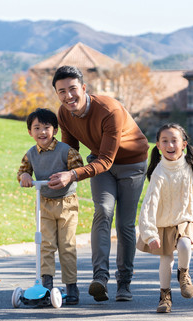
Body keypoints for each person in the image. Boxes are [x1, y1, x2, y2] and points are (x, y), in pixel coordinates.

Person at [48, 66, 149, 302]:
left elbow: (106, 159)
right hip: (101, 164)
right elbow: (71, 152)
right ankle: (100, 279)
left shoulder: (109, 110)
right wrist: (55, 172)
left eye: (73, 89)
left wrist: (72, 176)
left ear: (84, 88)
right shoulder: (64, 114)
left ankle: (124, 283)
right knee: (103, 211)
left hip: (132, 165)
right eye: (61, 92)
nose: (68, 96)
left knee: (124, 223)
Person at [137, 123, 193, 313]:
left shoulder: (190, 166)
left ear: (183, 144)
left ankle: (184, 274)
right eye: (164, 141)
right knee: (166, 260)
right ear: (158, 146)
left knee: (184, 245)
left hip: (184, 218)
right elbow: (149, 205)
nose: (170, 145)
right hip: (163, 221)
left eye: (174, 141)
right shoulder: (159, 172)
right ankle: (165, 297)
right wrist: (150, 234)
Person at [17, 108, 84, 305]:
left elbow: (79, 170)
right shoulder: (31, 154)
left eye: (46, 127)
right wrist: (25, 176)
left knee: (67, 245)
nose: (42, 132)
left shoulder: (67, 151)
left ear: (54, 130)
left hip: (66, 203)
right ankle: (46, 283)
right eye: (37, 128)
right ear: (30, 132)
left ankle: (71, 286)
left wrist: (70, 176)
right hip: (44, 204)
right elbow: (22, 172)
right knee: (45, 244)